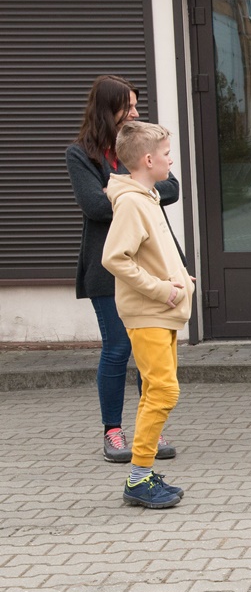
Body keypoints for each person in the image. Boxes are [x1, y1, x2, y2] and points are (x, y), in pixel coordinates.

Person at [66, 75, 180, 464]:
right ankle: (113, 432)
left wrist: (121, 189)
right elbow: (93, 208)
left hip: (150, 266)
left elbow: (173, 188)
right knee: (118, 348)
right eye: (127, 106)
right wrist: (139, 187)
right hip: (107, 269)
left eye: (135, 104)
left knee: (150, 351)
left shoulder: (141, 143)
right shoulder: (81, 154)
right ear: (106, 109)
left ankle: (149, 429)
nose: (134, 112)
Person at [100, 122, 193, 508]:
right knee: (165, 391)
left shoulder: (147, 196)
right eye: (168, 153)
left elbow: (150, 253)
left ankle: (143, 474)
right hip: (148, 312)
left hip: (161, 311)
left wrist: (177, 278)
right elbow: (114, 258)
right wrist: (162, 289)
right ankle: (138, 479)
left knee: (156, 391)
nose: (171, 159)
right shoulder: (133, 202)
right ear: (149, 159)